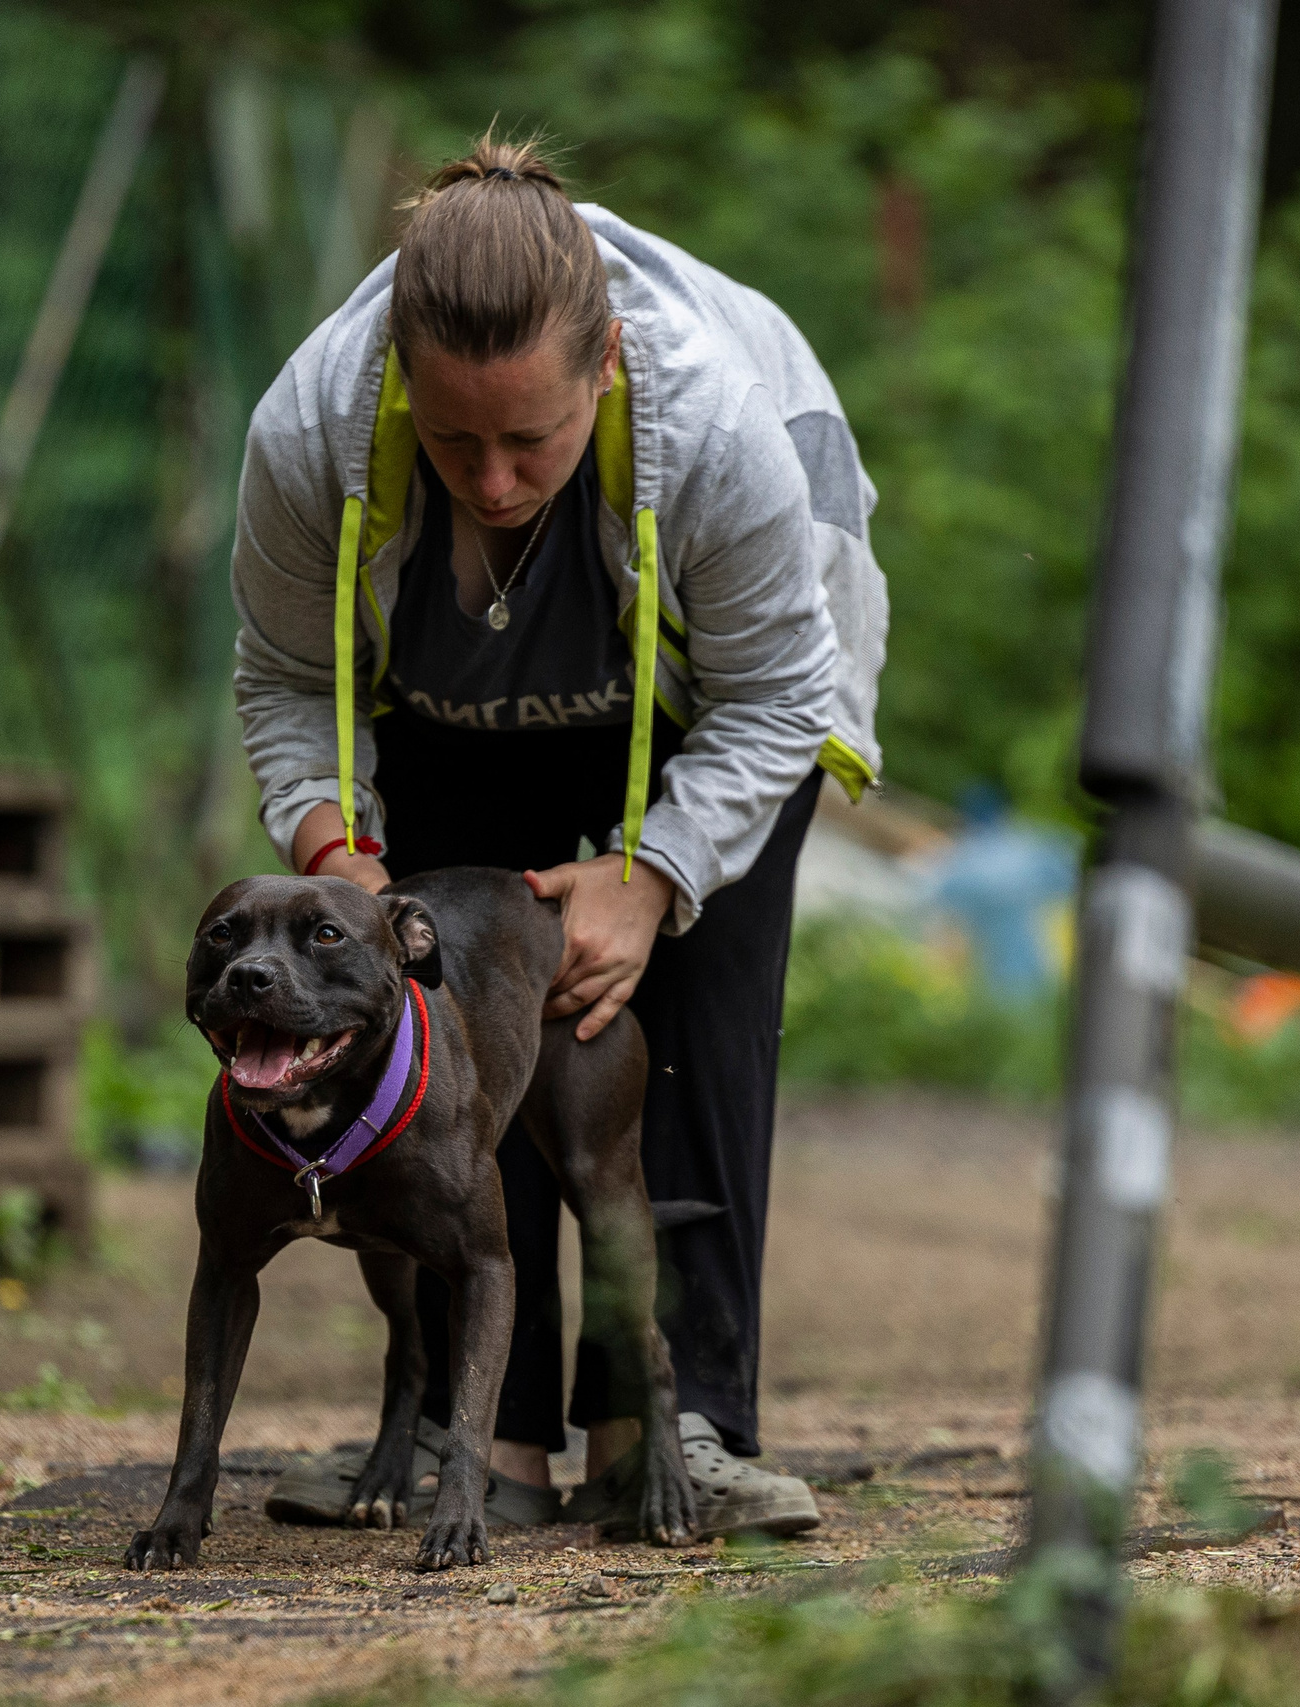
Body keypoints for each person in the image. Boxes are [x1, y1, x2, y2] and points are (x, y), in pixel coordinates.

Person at [231, 132, 888, 1539]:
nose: (496, 479)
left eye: (533, 438)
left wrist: (654, 878)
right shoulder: (308, 429)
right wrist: (335, 851)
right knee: (461, 1022)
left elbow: (785, 693)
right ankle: (490, 1440)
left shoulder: (717, 424)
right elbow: (286, 677)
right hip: (451, 700)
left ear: (607, 372)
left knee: (686, 1022)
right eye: (457, 440)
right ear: (401, 384)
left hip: (718, 698)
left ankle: (683, 1427)